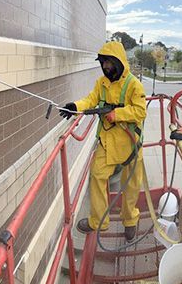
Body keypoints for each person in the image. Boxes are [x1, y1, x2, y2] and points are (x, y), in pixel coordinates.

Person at [59, 41, 147, 240]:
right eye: (103, 63)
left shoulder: (133, 84)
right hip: (108, 142)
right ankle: (98, 221)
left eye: (109, 62)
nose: (105, 67)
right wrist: (75, 106)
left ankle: (130, 221)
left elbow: (140, 111)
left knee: (132, 185)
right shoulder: (102, 83)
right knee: (97, 177)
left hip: (131, 143)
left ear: (118, 62)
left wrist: (118, 114)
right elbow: (91, 100)